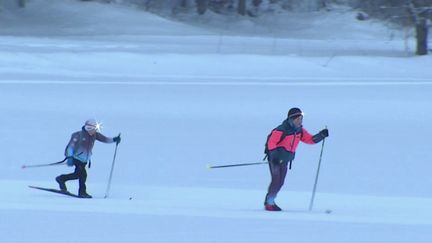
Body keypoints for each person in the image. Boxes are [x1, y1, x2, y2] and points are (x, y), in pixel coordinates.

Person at [264, 108, 328, 211]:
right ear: (291, 119)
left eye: (301, 119)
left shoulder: (300, 131)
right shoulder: (281, 130)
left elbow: (310, 140)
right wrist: (274, 157)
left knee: (280, 182)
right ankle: (269, 203)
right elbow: (271, 143)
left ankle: (270, 199)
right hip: (275, 159)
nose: (300, 121)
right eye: (298, 119)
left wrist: (321, 135)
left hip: (284, 160)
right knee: (276, 181)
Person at [55, 119, 121, 198]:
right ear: (89, 128)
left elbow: (105, 139)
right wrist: (69, 157)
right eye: (93, 129)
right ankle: (82, 192)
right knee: (83, 175)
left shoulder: (95, 135)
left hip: (84, 160)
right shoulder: (77, 135)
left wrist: (114, 139)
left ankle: (61, 179)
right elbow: (70, 147)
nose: (94, 130)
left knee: (77, 175)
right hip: (76, 158)